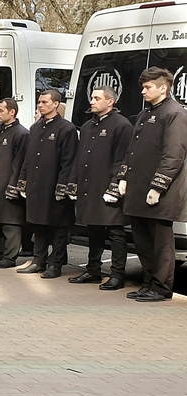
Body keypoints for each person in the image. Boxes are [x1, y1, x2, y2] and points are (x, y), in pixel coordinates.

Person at [112, 67, 187, 301]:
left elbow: (174, 154)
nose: (143, 91)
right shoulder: (146, 114)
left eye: (147, 87)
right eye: (142, 87)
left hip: (159, 192)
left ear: (163, 88)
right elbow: (132, 151)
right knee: (143, 242)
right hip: (138, 187)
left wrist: (158, 186)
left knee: (160, 243)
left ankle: (161, 288)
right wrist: (122, 177)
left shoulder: (174, 113)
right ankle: (148, 283)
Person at [66, 86, 132, 290]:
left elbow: (124, 158)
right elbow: (80, 157)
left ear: (110, 102)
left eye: (97, 98)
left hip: (108, 187)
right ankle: (93, 270)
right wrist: (74, 183)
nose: (92, 101)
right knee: (93, 230)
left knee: (115, 232)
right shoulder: (87, 126)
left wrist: (115, 185)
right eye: (92, 98)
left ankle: (117, 275)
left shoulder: (122, 125)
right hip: (90, 186)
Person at [17, 90, 77, 279]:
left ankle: (55, 264)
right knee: (38, 225)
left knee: (58, 228)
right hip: (36, 185)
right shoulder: (35, 128)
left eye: (44, 102)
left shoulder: (66, 129)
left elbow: (69, 161)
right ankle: (38, 260)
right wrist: (23, 180)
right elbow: (28, 158)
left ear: (56, 104)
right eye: (39, 102)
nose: (40, 105)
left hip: (55, 186)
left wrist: (63, 186)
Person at [0, 98, 28, 268]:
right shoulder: (0, 129)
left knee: (10, 223)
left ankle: (10, 257)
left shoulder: (21, 133)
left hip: (9, 183)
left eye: (1, 110)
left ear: (12, 112)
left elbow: (20, 162)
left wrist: (14, 185)